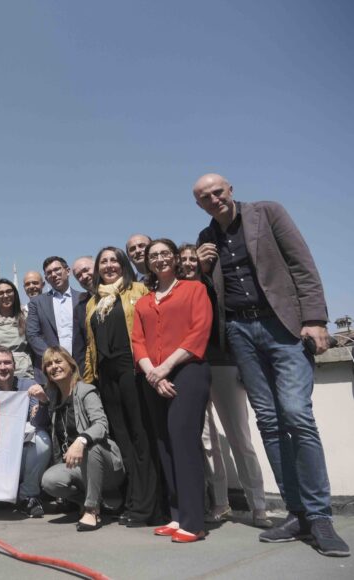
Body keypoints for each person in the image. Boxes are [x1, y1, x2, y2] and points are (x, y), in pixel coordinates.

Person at [194, 173, 348, 556]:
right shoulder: (206, 239)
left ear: (230, 189)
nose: (214, 199)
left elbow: (301, 263)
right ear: (199, 205)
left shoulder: (268, 213)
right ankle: (296, 514)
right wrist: (199, 269)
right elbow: (209, 298)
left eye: (218, 192)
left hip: (281, 325)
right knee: (269, 421)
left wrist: (315, 319)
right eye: (205, 197)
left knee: (297, 414)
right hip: (241, 334)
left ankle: (320, 516)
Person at [179, 242, 270, 527]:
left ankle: (258, 505)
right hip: (190, 369)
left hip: (222, 363)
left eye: (193, 258)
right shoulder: (177, 291)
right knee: (207, 441)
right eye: (183, 260)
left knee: (239, 437)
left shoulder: (214, 286)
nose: (188, 263)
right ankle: (220, 502)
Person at [132, 238, 213, 543]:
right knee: (164, 444)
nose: (160, 259)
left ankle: (194, 522)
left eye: (166, 253)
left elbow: (199, 331)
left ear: (176, 258)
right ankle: (177, 516)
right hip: (153, 375)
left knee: (183, 440)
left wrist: (164, 369)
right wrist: (152, 372)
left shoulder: (195, 289)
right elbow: (137, 341)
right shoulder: (144, 302)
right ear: (148, 263)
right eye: (154, 255)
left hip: (188, 370)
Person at [82, 246, 157, 528]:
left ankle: (148, 506)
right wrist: (90, 380)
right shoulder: (94, 301)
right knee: (123, 439)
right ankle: (133, 500)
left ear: (123, 264)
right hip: (107, 374)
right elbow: (91, 346)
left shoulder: (138, 290)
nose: (109, 265)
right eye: (103, 261)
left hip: (133, 368)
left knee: (142, 436)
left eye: (114, 260)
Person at [38, 346, 125, 532]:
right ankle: (96, 500)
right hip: (76, 467)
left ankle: (92, 509)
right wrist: (42, 402)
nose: (54, 366)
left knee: (91, 446)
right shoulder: (53, 398)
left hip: (105, 464)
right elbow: (39, 422)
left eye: (58, 361)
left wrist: (81, 440)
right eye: (49, 364)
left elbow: (101, 425)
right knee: (49, 481)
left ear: (70, 365)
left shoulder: (86, 391)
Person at [0, 346, 50, 518]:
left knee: (42, 438)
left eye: (7, 362)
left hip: (23, 453)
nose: (2, 367)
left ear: (14, 365)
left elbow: (39, 423)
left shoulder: (29, 386)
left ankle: (28, 496)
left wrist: (42, 403)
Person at [26, 256, 86, 382]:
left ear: (67, 271)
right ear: (46, 279)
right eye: (49, 273)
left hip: (81, 370)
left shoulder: (83, 299)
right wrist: (53, 359)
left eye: (57, 270)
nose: (54, 275)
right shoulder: (37, 303)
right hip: (50, 371)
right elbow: (32, 335)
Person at [0, 279, 32, 379]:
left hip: (24, 374)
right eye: (1, 293)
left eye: (9, 291)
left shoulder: (26, 317)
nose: (5, 296)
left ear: (15, 294)